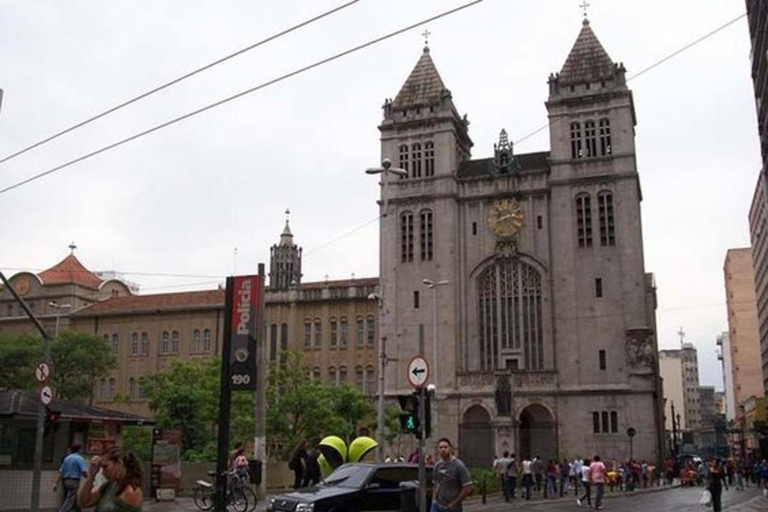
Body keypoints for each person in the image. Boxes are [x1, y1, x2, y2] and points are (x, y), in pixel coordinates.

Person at [76, 447, 143, 511]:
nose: (103, 473)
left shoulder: (131, 491)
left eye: (105, 467)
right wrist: (91, 475)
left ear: (119, 463)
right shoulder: (109, 486)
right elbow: (83, 502)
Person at [431, 438, 472, 512]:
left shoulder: (459, 466)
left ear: (450, 449)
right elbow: (435, 484)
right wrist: (434, 499)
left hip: (453, 507)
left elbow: (467, 488)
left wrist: (455, 504)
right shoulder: (437, 465)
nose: (443, 449)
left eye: (445, 447)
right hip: (437, 506)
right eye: (441, 447)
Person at [54, 443, 88, 512]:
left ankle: (78, 509)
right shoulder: (79, 458)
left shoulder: (67, 458)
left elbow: (61, 471)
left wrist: (56, 483)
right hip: (74, 481)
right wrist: (90, 479)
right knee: (70, 499)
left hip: (66, 480)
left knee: (72, 496)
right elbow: (84, 471)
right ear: (79, 449)